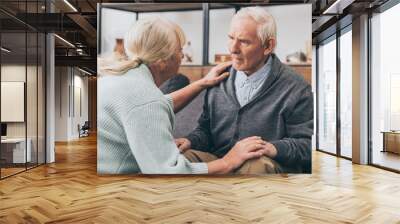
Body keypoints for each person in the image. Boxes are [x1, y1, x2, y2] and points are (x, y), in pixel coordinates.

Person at [97, 17, 270, 174]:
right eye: (179, 50)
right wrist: (228, 162)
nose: (182, 56)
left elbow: (157, 105)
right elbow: (167, 173)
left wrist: (201, 83)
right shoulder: (146, 101)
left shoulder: (122, 79)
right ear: (163, 61)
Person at [175, 7, 313, 173]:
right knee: (179, 159)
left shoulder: (297, 88)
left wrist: (271, 148)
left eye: (244, 41)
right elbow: (205, 130)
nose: (233, 48)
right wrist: (190, 141)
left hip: (262, 164)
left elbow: (307, 146)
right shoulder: (219, 78)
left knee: (256, 165)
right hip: (221, 160)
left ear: (268, 46)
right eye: (231, 38)